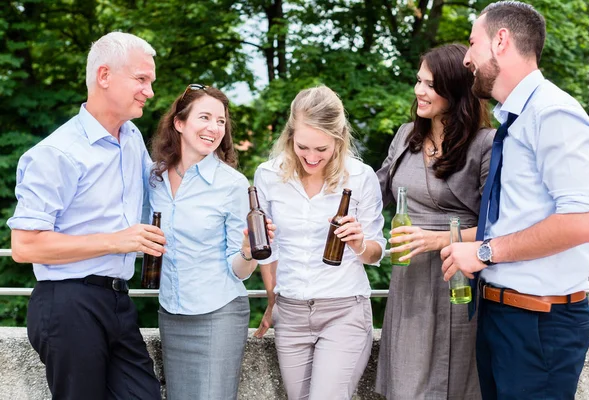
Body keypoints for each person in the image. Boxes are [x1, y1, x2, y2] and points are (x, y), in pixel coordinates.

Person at [440, 2, 589, 399]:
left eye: (472, 44)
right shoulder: (516, 119)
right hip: (503, 315)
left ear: (501, 40)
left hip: (539, 323)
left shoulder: (553, 114)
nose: (465, 58)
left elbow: (586, 221)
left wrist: (485, 251)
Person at [7, 32, 163, 399]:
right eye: (141, 79)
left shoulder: (132, 137)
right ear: (104, 76)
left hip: (117, 300)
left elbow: (162, 193)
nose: (150, 91)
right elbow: (24, 245)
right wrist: (117, 240)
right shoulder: (56, 153)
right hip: (67, 303)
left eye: (151, 81)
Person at [375, 43, 493, 400]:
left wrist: (436, 239)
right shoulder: (405, 135)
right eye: (418, 81)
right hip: (408, 280)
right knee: (406, 385)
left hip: (457, 277)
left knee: (454, 385)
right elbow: (372, 194)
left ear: (455, 88)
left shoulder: (485, 143)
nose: (418, 91)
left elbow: (499, 228)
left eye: (429, 84)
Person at [252, 85, 386, 399]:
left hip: (344, 311)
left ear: (338, 140)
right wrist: (273, 303)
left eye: (322, 149)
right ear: (289, 135)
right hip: (291, 314)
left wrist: (359, 244)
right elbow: (267, 250)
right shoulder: (267, 176)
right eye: (303, 147)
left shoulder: (361, 177)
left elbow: (376, 252)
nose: (312, 157)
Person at [146, 84, 275, 400]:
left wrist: (247, 252)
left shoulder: (231, 184)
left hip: (218, 313)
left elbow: (239, 271)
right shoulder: (154, 178)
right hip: (171, 312)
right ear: (179, 122)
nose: (214, 128)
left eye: (221, 121)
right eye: (205, 117)